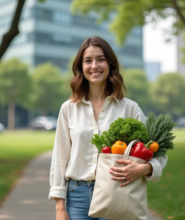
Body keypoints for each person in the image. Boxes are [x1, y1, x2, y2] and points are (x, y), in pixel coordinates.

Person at [49, 36, 168, 220]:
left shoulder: (130, 108)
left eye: (101, 59)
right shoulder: (68, 108)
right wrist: (59, 208)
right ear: (81, 67)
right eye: (88, 61)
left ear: (110, 64)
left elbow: (159, 153)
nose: (94, 65)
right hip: (77, 197)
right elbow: (60, 158)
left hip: (117, 191)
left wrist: (144, 169)